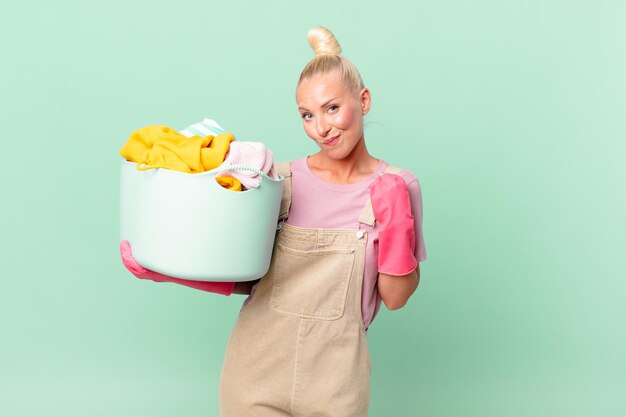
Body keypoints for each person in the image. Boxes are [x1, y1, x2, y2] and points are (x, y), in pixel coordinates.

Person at [121, 26, 426, 417]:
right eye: (307, 115)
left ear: (363, 101)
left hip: (337, 381)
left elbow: (396, 298)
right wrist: (165, 271)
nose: (322, 128)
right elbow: (249, 276)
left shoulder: (399, 185)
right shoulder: (275, 182)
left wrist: (396, 220)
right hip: (255, 372)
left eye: (332, 108)